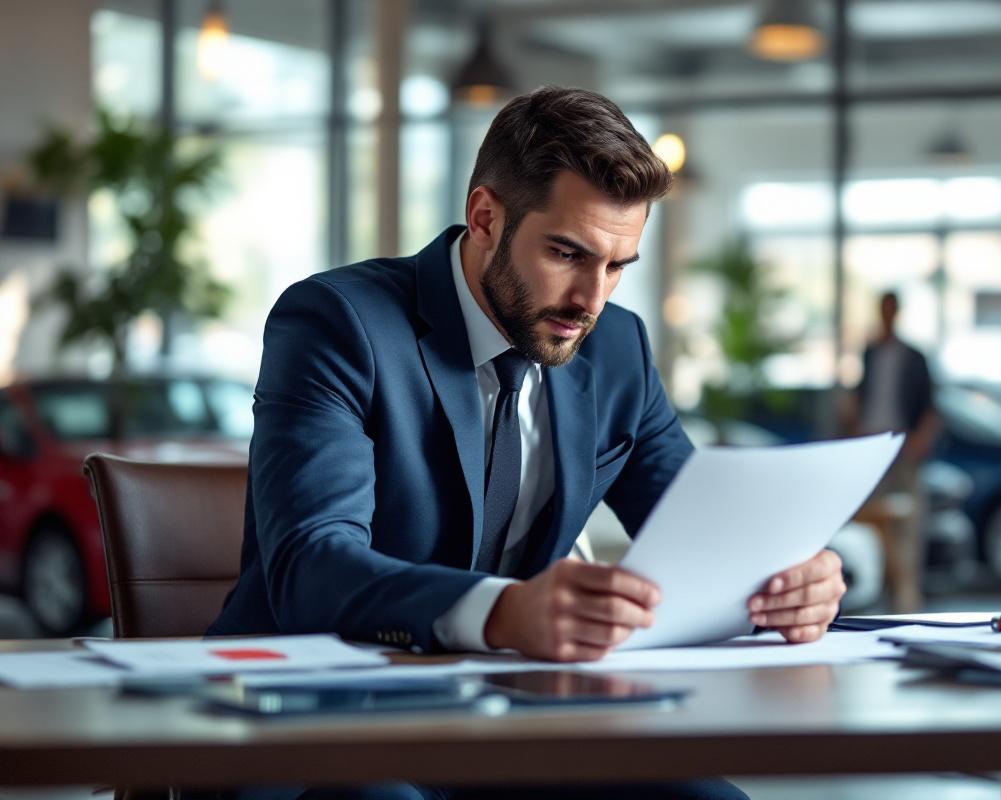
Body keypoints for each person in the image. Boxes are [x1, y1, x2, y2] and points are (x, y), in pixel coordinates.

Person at [206, 87, 845, 800]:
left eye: (617, 265)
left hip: (514, 725)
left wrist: (789, 581)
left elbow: (706, 537)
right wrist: (506, 612)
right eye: (568, 254)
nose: (591, 300)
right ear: (485, 217)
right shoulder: (339, 324)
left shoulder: (618, 351)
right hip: (319, 724)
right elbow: (311, 566)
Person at [846, 291, 938, 613]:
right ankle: (882, 587)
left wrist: (919, 441)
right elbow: (859, 396)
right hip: (872, 444)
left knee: (907, 523)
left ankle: (907, 596)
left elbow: (930, 405)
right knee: (874, 521)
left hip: (903, 445)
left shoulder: (914, 356)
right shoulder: (870, 353)